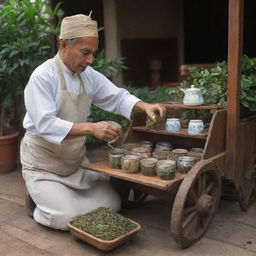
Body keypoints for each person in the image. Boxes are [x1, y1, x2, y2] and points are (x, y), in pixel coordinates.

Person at [20, 13, 166, 231]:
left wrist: (143, 106)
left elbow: (116, 97)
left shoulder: (88, 75)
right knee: (64, 218)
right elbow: (45, 124)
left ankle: (57, 198)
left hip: (75, 165)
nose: (90, 60)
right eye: (85, 52)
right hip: (44, 167)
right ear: (64, 44)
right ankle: (37, 201)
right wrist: (92, 128)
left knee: (113, 203)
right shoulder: (43, 76)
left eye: (93, 54)